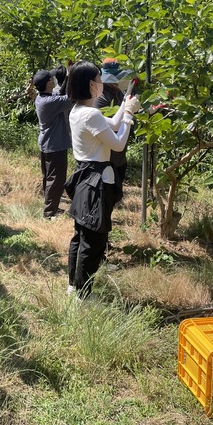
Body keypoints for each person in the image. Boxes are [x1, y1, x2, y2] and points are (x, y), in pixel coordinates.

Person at [64, 60, 140, 299]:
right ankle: (83, 296)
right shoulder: (91, 113)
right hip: (97, 181)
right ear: (90, 85)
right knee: (93, 242)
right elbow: (118, 143)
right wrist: (129, 115)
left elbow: (113, 123)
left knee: (81, 236)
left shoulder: (78, 111)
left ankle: (74, 287)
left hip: (84, 178)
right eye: (99, 79)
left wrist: (125, 106)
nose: (102, 83)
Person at [33, 68, 72, 218]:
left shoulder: (42, 98)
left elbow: (60, 93)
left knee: (49, 178)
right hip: (55, 145)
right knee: (56, 180)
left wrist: (66, 77)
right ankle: (49, 213)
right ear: (49, 83)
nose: (54, 80)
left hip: (47, 144)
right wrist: (72, 78)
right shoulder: (50, 102)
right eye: (51, 79)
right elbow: (71, 98)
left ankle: (50, 206)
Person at [95, 58, 137, 181]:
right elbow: (114, 124)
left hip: (119, 155)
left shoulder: (117, 92)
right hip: (107, 156)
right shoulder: (101, 98)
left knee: (117, 190)